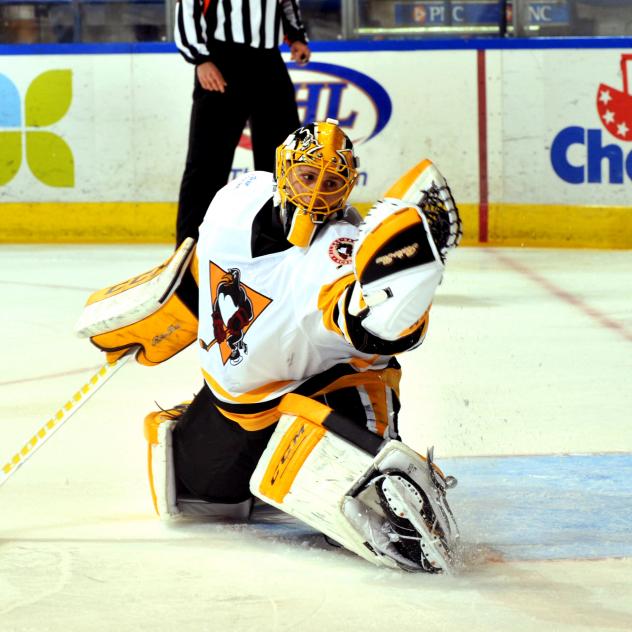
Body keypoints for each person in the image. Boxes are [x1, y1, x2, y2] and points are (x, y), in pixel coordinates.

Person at [76, 120, 463, 573]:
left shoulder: (337, 249)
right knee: (199, 501)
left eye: (333, 183)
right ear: (282, 171)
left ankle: (376, 458)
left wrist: (406, 285)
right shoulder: (233, 202)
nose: (317, 193)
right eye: (307, 176)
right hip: (240, 403)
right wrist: (164, 310)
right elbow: (206, 267)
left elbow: (372, 326)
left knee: (372, 512)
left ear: (347, 190)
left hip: (326, 390)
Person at [174, 0, 311, 247]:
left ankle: (279, 246)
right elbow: (189, 6)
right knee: (206, 165)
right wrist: (200, 59)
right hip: (222, 61)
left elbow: (287, 3)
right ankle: (188, 253)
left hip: (269, 61)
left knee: (283, 163)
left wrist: (296, 35)